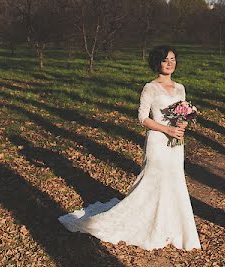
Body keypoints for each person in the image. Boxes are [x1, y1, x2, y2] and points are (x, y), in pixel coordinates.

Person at [58, 45, 201, 250]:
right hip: (158, 140)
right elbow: (142, 118)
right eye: (165, 60)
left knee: (174, 179)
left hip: (176, 142)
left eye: (173, 59)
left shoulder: (180, 88)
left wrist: (183, 124)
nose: (170, 64)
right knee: (154, 178)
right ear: (157, 63)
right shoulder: (150, 88)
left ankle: (173, 225)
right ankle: (147, 224)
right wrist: (166, 130)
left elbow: (183, 112)